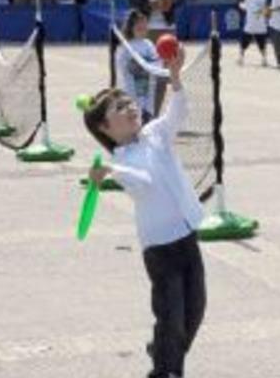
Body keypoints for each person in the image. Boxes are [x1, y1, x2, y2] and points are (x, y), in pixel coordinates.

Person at [83, 48, 206, 378]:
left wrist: (176, 77)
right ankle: (166, 371)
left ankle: (162, 348)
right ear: (105, 128)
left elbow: (177, 112)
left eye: (129, 103)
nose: (130, 108)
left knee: (194, 312)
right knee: (171, 317)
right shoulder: (123, 162)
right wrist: (109, 170)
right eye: (119, 108)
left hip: (187, 238)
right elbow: (144, 184)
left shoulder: (155, 134)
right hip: (161, 250)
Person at [115, 10, 167, 122]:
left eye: (144, 26)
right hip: (131, 94)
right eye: (138, 26)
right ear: (131, 28)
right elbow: (122, 65)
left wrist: (152, 65)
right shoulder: (126, 46)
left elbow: (158, 63)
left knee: (147, 121)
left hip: (148, 95)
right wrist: (134, 66)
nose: (142, 28)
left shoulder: (148, 44)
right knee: (132, 120)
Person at [238, 0, 269, 67]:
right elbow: (249, 7)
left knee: (259, 44)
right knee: (246, 42)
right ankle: (242, 58)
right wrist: (242, 5)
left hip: (256, 24)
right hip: (254, 24)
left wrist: (242, 4)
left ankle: (263, 59)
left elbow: (252, 7)